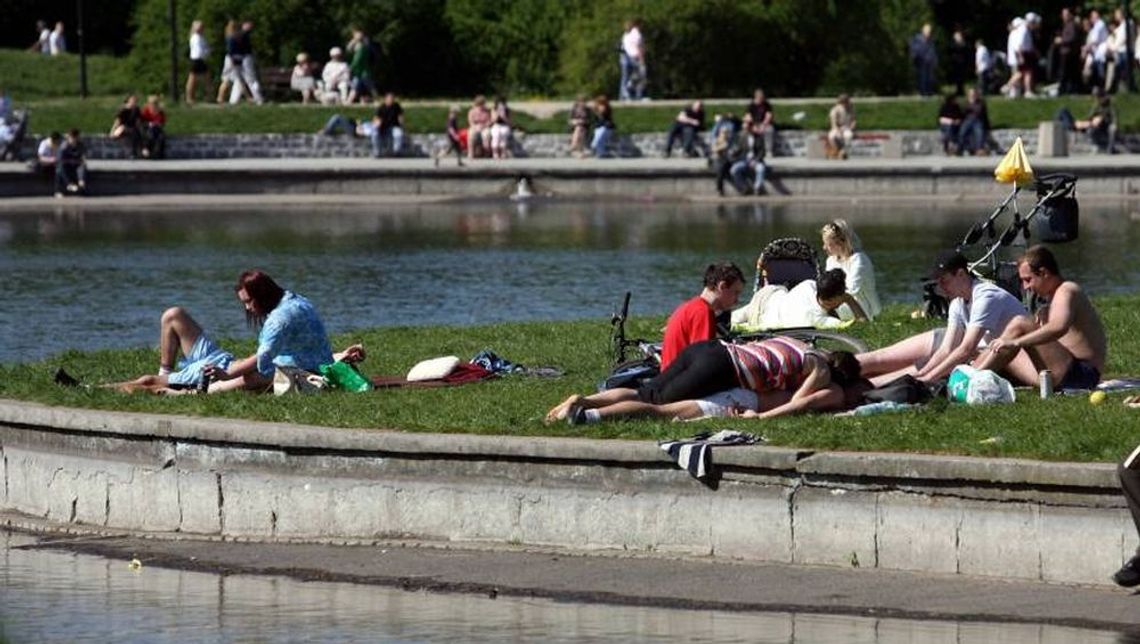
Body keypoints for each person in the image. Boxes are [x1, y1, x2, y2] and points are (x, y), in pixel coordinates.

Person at [108, 270, 362, 395]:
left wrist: (226, 374)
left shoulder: (279, 320)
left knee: (147, 382)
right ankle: (166, 374)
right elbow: (308, 350)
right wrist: (341, 355)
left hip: (224, 370)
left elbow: (262, 360)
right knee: (173, 316)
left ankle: (97, 388)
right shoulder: (297, 301)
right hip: (224, 361)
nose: (247, 308)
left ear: (262, 295)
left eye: (249, 302)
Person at [545, 336, 861, 425]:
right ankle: (587, 416)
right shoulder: (821, 369)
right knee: (654, 403)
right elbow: (797, 402)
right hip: (723, 368)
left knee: (646, 391)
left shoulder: (800, 344)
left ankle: (581, 400)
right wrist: (761, 418)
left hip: (709, 349)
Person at [856, 251, 1027, 386]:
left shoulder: (985, 296)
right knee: (884, 359)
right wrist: (925, 374)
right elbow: (946, 349)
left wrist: (929, 377)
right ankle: (844, 370)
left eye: (944, 281)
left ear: (961, 274)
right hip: (980, 353)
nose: (940, 288)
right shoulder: (958, 302)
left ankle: (862, 387)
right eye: (938, 282)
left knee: (906, 370)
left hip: (1010, 355)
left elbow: (966, 349)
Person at [974, 246, 1106, 390]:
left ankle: (972, 380)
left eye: (1028, 280)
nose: (1025, 287)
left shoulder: (1067, 290)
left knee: (1020, 323)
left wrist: (1016, 342)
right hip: (1065, 372)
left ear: (1043, 273)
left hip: (1081, 374)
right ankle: (969, 374)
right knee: (999, 348)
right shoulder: (1055, 297)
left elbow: (1058, 328)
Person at [660, 262, 745, 371]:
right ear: (722, 286)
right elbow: (703, 363)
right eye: (736, 293)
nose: (737, 300)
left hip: (671, 376)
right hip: (681, 379)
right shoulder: (703, 312)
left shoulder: (690, 307)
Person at [732, 268, 865, 331]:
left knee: (731, 317)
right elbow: (862, 324)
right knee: (732, 321)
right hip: (760, 313)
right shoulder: (818, 319)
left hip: (771, 292)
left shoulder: (809, 284)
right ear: (832, 300)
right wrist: (850, 300)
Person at [821, 219, 881, 320]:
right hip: (839, 302)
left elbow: (851, 289)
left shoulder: (859, 259)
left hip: (864, 308)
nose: (824, 248)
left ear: (842, 242)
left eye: (829, 244)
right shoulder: (831, 260)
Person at [1056, 88, 1116, 153]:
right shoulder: (1099, 107)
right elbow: (1089, 118)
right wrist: (1082, 121)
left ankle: (1055, 131)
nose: (1096, 100)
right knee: (1063, 110)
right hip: (1080, 124)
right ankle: (1055, 129)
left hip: (1078, 127)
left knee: (1062, 113)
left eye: (1098, 97)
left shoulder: (1105, 112)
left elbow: (1093, 124)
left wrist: (1084, 124)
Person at [228, 21, 263, 105]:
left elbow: (231, 51)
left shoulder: (233, 36)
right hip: (244, 58)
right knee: (248, 79)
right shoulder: (242, 35)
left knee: (241, 79)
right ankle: (258, 98)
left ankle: (234, 100)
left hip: (239, 58)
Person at [346, 27, 376, 104]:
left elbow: (357, 59)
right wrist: (353, 41)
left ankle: (377, 99)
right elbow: (348, 49)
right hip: (359, 71)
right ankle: (349, 100)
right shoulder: (358, 44)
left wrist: (351, 68)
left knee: (369, 86)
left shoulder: (364, 45)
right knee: (355, 85)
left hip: (364, 70)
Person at [958, 87, 992, 156]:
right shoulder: (965, 102)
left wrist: (988, 125)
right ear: (968, 94)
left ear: (976, 94)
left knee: (979, 133)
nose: (972, 95)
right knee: (962, 132)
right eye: (971, 94)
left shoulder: (981, 102)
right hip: (968, 120)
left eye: (973, 94)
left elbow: (983, 114)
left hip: (977, 120)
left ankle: (979, 149)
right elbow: (962, 114)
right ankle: (960, 149)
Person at [619, 19, 646, 101]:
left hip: (626, 57)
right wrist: (641, 58)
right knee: (638, 76)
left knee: (627, 77)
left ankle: (625, 94)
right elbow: (638, 47)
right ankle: (632, 94)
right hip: (632, 57)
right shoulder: (635, 34)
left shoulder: (627, 35)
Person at [216, 20, 243, 104]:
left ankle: (220, 97)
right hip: (231, 59)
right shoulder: (231, 37)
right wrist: (233, 61)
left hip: (230, 59)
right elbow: (230, 51)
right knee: (230, 79)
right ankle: (222, 97)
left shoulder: (230, 36)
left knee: (227, 79)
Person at [1056, 8, 1082, 95]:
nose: (1064, 16)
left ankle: (1063, 89)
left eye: (1066, 15)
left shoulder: (1072, 25)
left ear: (1070, 15)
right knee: (1068, 72)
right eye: (1063, 15)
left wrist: (1061, 40)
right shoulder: (1067, 25)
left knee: (1065, 72)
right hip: (1066, 52)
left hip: (1068, 53)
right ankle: (1068, 89)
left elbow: (1072, 38)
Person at [56, 128, 88, 197]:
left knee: (82, 166)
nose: (73, 140)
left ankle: (81, 183)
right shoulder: (64, 146)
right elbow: (60, 159)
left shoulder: (80, 145)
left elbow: (83, 157)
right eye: (72, 138)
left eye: (75, 138)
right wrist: (71, 161)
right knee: (59, 169)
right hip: (66, 165)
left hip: (76, 164)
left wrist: (82, 160)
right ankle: (68, 185)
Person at [185, 20, 211, 105]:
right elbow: (199, 50)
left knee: (207, 78)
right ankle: (189, 98)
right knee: (192, 79)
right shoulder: (195, 37)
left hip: (201, 60)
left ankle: (208, 96)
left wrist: (207, 51)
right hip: (196, 60)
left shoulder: (201, 37)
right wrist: (206, 52)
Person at [371, 92, 405, 157]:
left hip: (394, 127)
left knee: (399, 134)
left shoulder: (396, 106)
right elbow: (375, 118)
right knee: (374, 135)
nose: (391, 100)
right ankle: (377, 152)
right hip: (383, 127)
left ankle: (396, 152)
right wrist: (377, 123)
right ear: (385, 99)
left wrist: (402, 124)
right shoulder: (381, 107)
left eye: (392, 99)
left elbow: (400, 116)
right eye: (389, 99)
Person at [744, 88, 775, 157]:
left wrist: (763, 126)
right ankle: (749, 150)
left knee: (769, 130)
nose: (760, 98)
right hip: (753, 124)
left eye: (762, 97)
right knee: (745, 128)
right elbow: (748, 117)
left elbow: (768, 116)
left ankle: (768, 150)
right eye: (759, 97)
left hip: (764, 124)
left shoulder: (767, 105)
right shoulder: (751, 105)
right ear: (755, 96)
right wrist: (754, 126)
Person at [110, 94, 143, 159]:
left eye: (135, 100)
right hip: (122, 127)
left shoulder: (136, 109)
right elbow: (118, 121)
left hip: (132, 127)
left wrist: (140, 129)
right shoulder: (123, 109)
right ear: (128, 100)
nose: (134, 101)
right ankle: (131, 153)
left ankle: (137, 152)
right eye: (133, 100)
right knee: (130, 133)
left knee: (136, 133)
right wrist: (112, 131)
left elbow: (138, 121)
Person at [909, 23, 938, 96]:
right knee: (922, 77)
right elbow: (914, 49)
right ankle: (922, 92)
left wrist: (934, 59)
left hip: (929, 61)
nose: (928, 32)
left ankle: (929, 92)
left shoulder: (930, 39)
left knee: (930, 77)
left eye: (929, 31)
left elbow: (933, 50)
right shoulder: (917, 38)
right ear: (923, 30)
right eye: (927, 30)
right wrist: (916, 56)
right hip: (921, 61)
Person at [826, 94, 856, 159]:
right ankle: (837, 151)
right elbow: (833, 121)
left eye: (846, 101)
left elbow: (853, 120)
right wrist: (838, 130)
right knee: (832, 136)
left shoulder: (851, 109)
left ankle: (843, 151)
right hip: (836, 128)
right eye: (844, 101)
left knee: (849, 136)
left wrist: (852, 127)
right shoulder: (835, 109)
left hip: (846, 128)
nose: (846, 103)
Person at [139, 95, 167, 159]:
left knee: (161, 137)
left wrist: (158, 124)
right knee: (150, 134)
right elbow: (141, 121)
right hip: (147, 128)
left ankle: (157, 153)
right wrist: (149, 124)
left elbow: (162, 122)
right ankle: (146, 150)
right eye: (151, 103)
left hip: (157, 129)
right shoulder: (145, 110)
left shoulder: (160, 112)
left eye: (154, 103)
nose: (152, 105)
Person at [466, 95, 492, 160]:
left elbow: (489, 121)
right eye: (479, 104)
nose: (481, 106)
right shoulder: (472, 111)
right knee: (471, 134)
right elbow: (470, 121)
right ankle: (471, 152)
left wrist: (484, 126)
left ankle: (487, 152)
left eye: (482, 104)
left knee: (487, 135)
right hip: (475, 126)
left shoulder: (487, 111)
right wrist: (475, 127)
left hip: (485, 126)